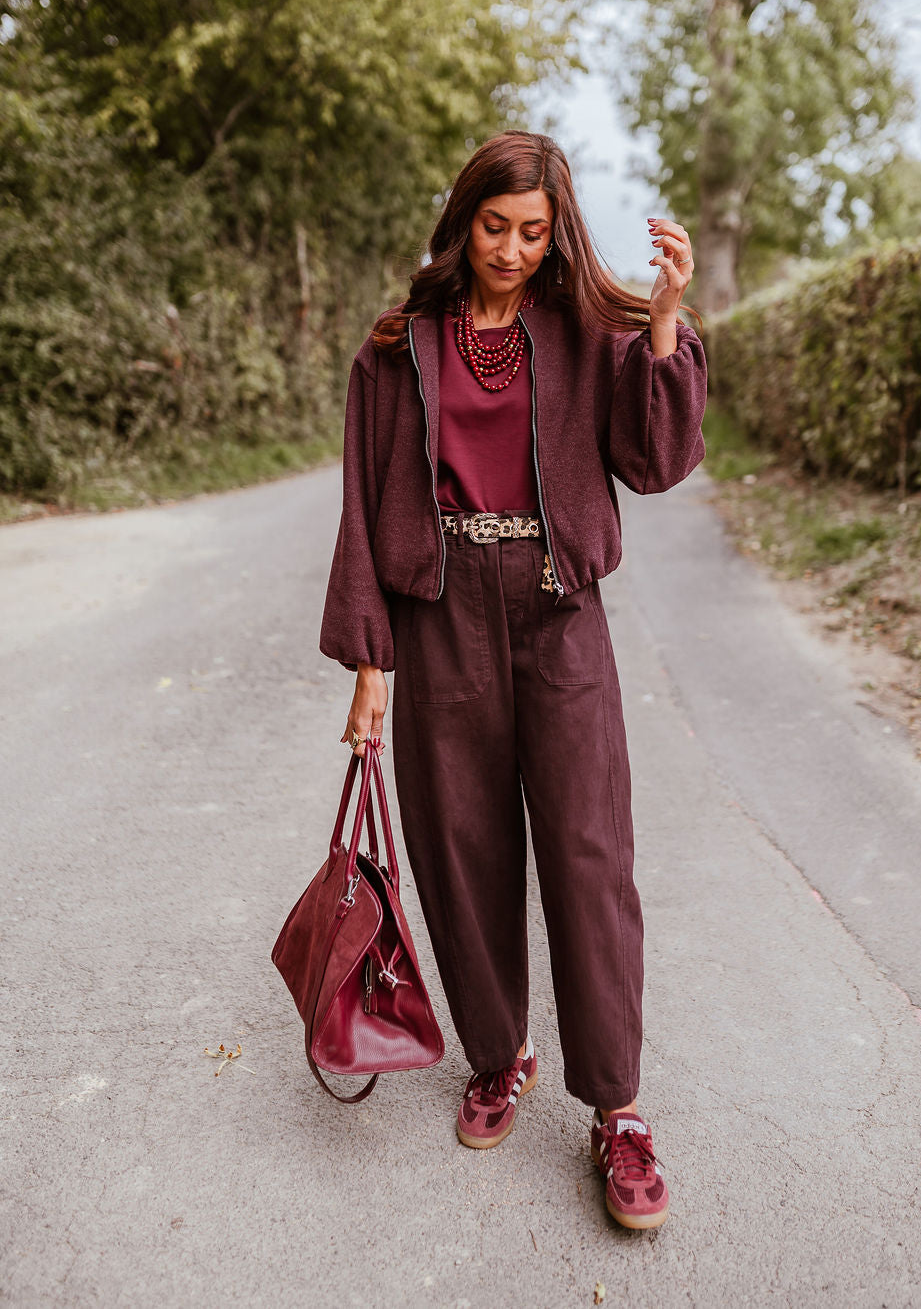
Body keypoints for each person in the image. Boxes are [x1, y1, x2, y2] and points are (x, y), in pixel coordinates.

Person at [319, 129, 707, 1230]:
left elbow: (654, 461)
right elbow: (361, 504)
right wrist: (368, 666)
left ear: (557, 236)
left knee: (589, 852)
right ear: (465, 218)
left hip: (557, 608)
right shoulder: (399, 343)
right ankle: (498, 1057)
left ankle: (619, 1111)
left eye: (536, 233)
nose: (513, 249)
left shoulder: (587, 330)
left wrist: (665, 315)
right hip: (439, 608)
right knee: (461, 844)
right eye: (496, 227)